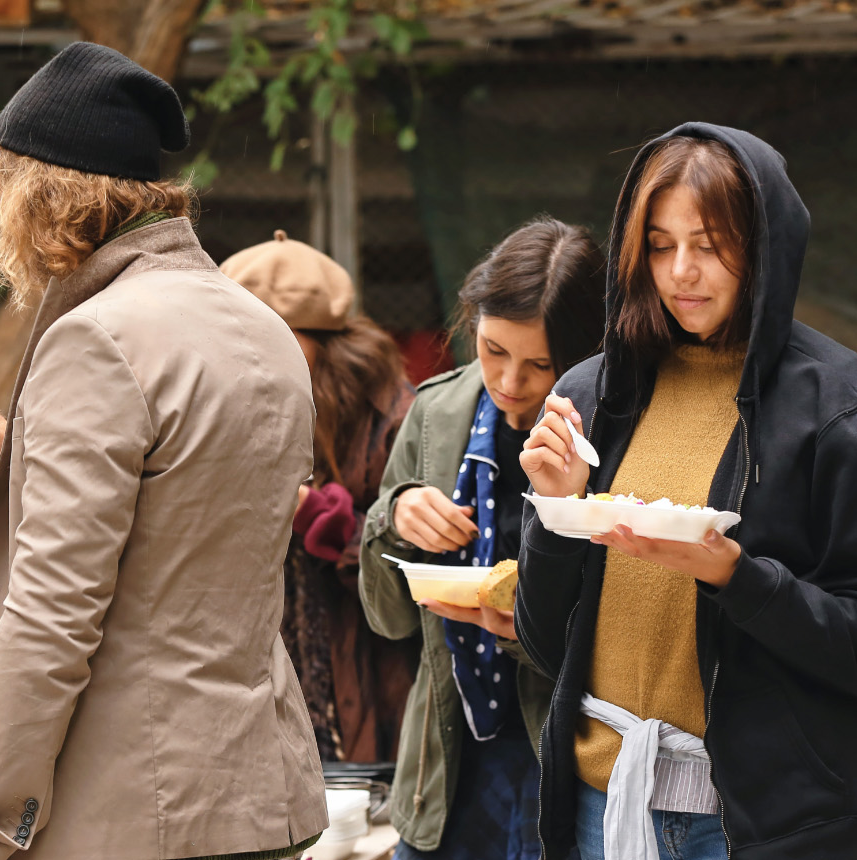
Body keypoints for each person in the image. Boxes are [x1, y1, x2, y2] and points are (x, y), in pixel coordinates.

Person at [0, 42, 328, 860]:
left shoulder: (96, 338)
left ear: (41, 198)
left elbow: (53, 614)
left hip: (129, 809)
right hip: (259, 794)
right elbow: (175, 514)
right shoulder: (263, 328)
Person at [517, 124, 857, 860]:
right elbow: (545, 645)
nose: (682, 272)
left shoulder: (834, 405)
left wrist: (736, 577)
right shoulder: (594, 393)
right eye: (662, 245)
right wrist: (555, 512)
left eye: (709, 244)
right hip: (598, 806)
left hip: (758, 823)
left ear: (764, 245)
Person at [359, 217, 605, 859]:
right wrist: (396, 516)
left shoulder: (610, 431)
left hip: (565, 753)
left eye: (540, 364)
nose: (509, 382)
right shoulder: (437, 411)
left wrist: (533, 625)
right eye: (493, 349)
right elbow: (386, 618)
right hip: (444, 766)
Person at [219, 231, 418, 764]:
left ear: (326, 343)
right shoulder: (217, 405)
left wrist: (323, 519)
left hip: (367, 683)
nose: (257, 357)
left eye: (276, 340)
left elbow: (408, 579)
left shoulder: (394, 419)